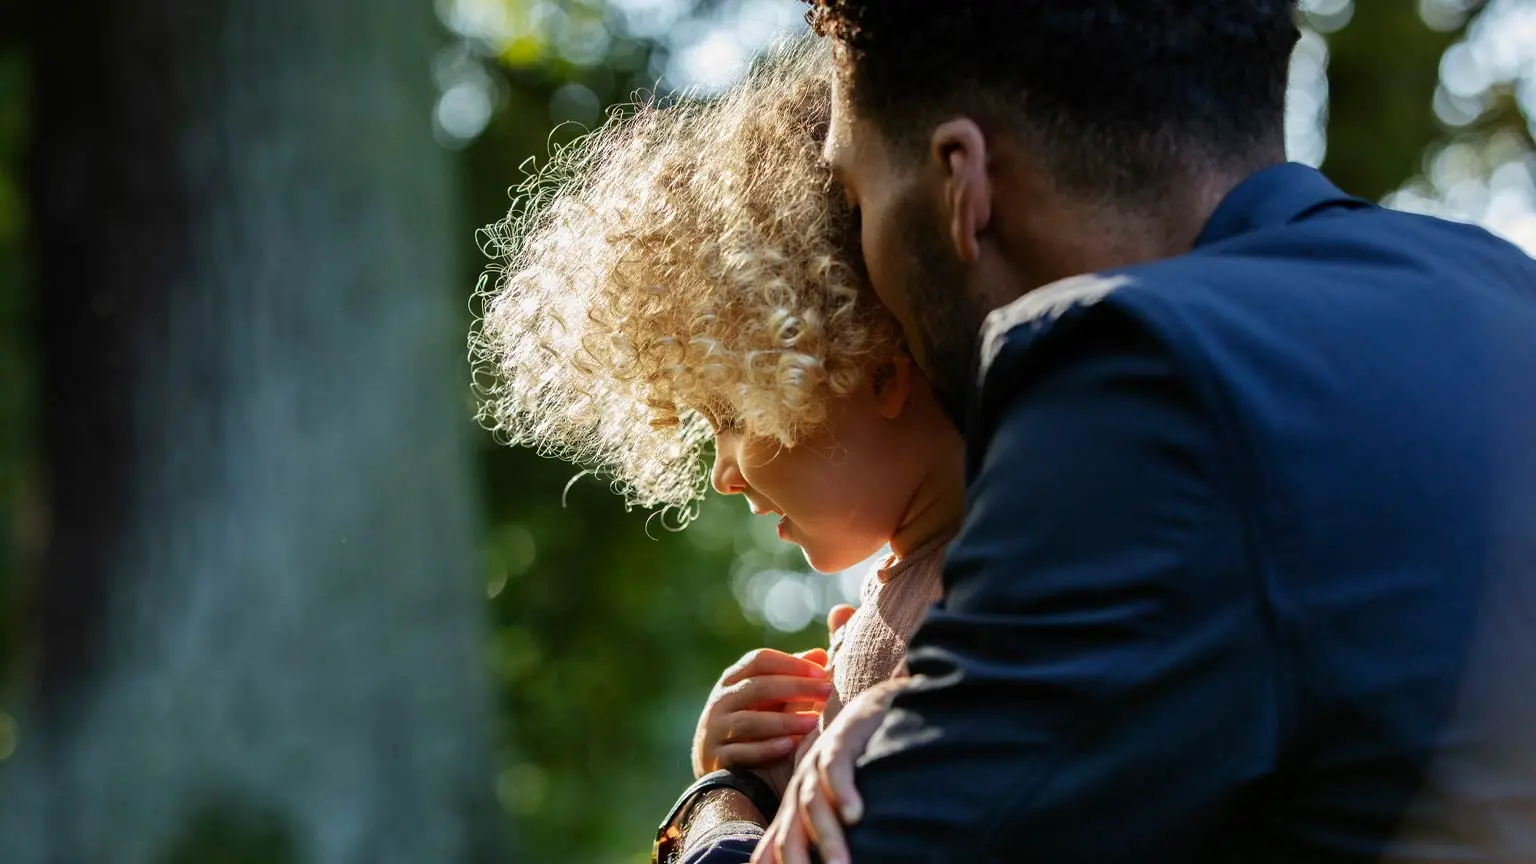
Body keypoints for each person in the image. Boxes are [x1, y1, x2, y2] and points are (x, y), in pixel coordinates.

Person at [738, 2, 1536, 863]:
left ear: (959, 183)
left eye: (856, 196)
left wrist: (725, 800)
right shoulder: (1500, 287)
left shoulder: (1134, 372)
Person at [470, 40, 964, 863]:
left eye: (733, 413)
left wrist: (720, 798)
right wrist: (754, 774)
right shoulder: (902, 601)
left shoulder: (1003, 585)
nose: (723, 473)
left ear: (872, 360)